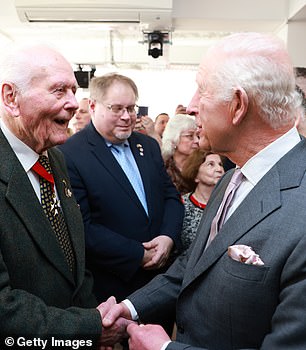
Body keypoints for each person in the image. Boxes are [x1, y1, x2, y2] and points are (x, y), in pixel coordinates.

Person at [101, 32, 306, 350]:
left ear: (238, 106)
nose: (192, 105)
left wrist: (164, 349)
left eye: (203, 89)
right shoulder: (231, 178)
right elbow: (197, 264)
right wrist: (130, 307)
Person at [0, 43, 130, 346]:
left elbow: (72, 261)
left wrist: (92, 321)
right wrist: (88, 329)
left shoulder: (55, 157)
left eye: (73, 90)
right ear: (11, 98)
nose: (74, 103)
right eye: (59, 91)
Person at [58, 73, 184, 325]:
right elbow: (82, 227)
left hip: (161, 282)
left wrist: (167, 238)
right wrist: (138, 254)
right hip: (115, 286)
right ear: (93, 106)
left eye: (131, 108)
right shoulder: (69, 154)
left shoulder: (147, 146)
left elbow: (170, 196)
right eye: (117, 108)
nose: (127, 116)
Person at [180, 150, 224, 251]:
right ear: (195, 175)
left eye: (220, 164)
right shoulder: (182, 205)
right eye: (210, 164)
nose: (219, 169)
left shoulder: (228, 203)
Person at [162, 114, 199, 195]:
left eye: (198, 136)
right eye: (190, 136)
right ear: (174, 138)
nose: (197, 141)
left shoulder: (201, 165)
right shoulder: (162, 167)